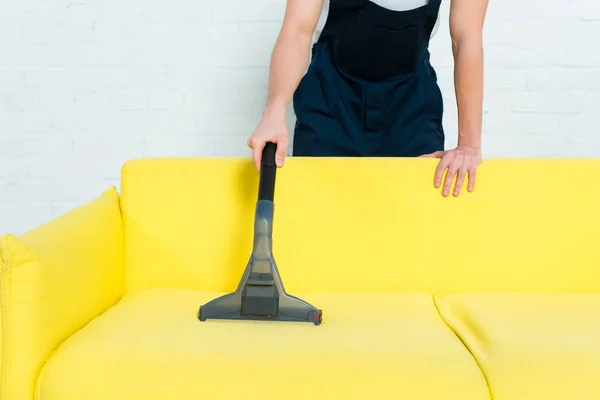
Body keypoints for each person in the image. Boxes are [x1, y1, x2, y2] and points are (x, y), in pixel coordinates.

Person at [247, 0, 488, 197]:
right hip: (331, 96)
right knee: (321, 208)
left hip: (410, 101)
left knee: (413, 211)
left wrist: (469, 146)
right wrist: (274, 111)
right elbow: (297, 30)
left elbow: (467, 38)